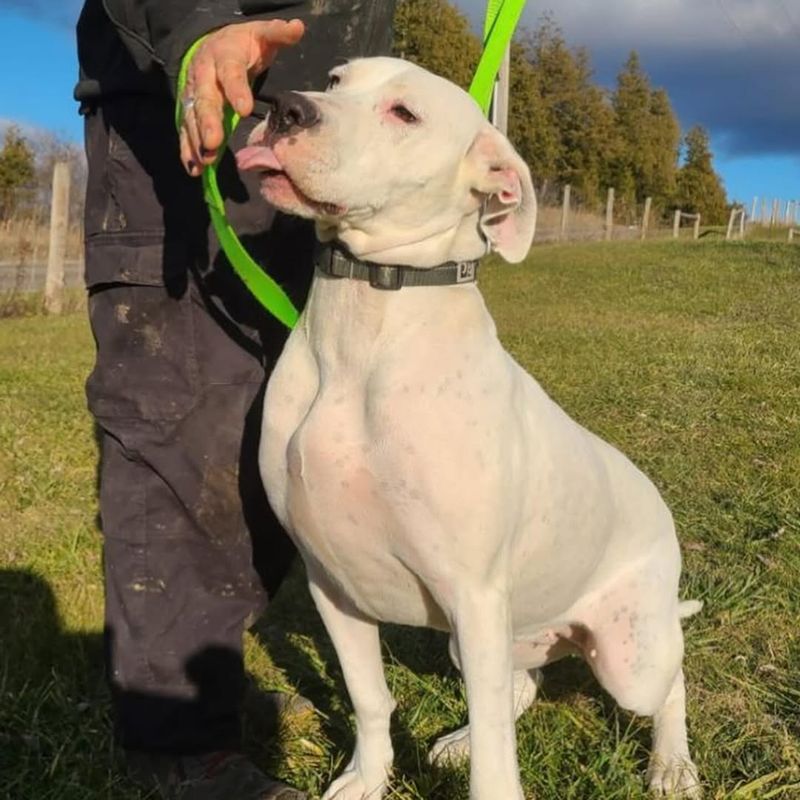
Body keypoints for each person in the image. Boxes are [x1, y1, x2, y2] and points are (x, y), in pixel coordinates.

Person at [74, 2, 396, 798]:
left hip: (320, 141)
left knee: (281, 438)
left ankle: (209, 675)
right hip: (181, 117)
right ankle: (179, 736)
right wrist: (199, 31)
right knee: (182, 418)